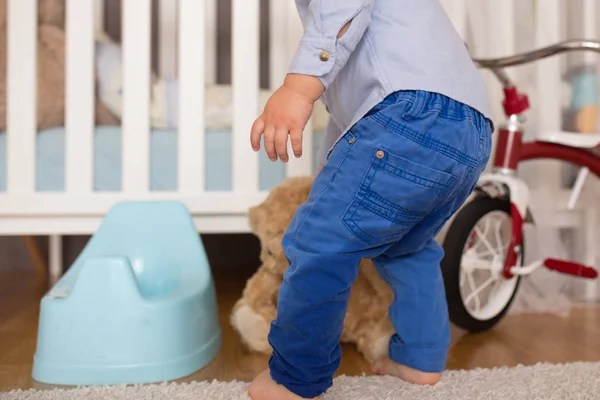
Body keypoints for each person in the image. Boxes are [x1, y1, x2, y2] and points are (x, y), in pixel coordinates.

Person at [248, 1, 493, 398]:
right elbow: (356, 122)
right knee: (407, 248)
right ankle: (419, 358)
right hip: (471, 132)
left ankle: (294, 378)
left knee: (318, 243)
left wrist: (297, 88)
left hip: (407, 115)